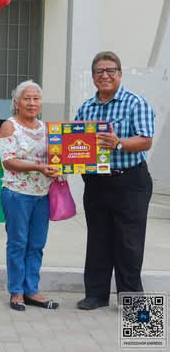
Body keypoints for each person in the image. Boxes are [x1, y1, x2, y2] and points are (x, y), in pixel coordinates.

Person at [75, 51, 155, 310]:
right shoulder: (86, 108)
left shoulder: (135, 103)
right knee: (98, 240)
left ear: (119, 74)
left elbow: (145, 140)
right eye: (99, 71)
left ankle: (131, 301)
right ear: (93, 77)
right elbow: (74, 144)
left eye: (110, 70)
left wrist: (118, 143)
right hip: (96, 183)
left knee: (128, 243)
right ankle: (96, 295)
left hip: (130, 182)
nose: (105, 75)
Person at [0, 80, 60, 311]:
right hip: (17, 194)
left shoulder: (47, 129)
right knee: (18, 243)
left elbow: (57, 156)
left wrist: (61, 165)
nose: (32, 103)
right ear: (17, 103)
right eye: (27, 99)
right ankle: (16, 292)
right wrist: (39, 168)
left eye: (36, 99)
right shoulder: (9, 126)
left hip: (43, 194)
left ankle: (32, 290)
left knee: (36, 244)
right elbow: (8, 161)